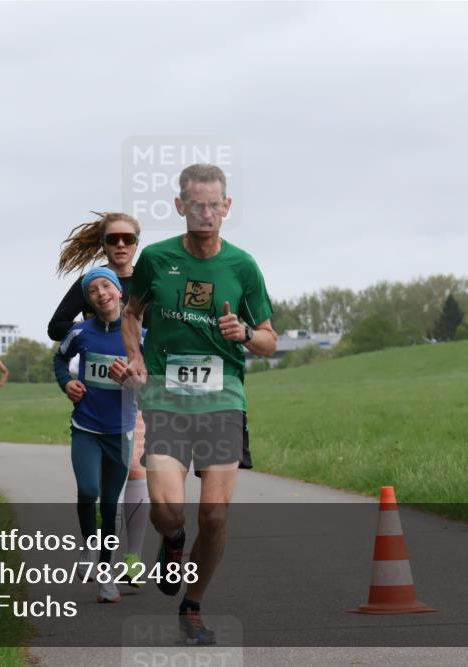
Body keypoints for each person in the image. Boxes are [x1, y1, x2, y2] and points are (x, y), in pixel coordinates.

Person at [119, 164, 277, 645]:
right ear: (180, 206)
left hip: (223, 398)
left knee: (214, 515)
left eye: (215, 205)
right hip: (166, 395)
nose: (206, 213)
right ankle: (171, 540)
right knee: (169, 510)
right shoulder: (156, 258)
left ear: (227, 208)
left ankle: (193, 606)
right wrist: (135, 359)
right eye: (197, 204)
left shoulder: (243, 266)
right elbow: (131, 313)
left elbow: (269, 340)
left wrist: (246, 333)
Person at [48, 211, 151, 584]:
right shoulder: (90, 283)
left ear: (137, 243)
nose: (121, 245)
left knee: (137, 470)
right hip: (98, 396)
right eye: (113, 240)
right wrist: (94, 319)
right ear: (104, 245)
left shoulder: (149, 278)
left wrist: (141, 332)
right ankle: (94, 550)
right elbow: (56, 329)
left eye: (128, 239)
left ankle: (133, 557)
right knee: (99, 488)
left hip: (140, 382)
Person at [53, 267, 142, 604]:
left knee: (110, 504)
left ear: (120, 292)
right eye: (92, 290)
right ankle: (89, 547)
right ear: (88, 300)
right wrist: (67, 383)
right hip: (86, 428)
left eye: (107, 286)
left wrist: (132, 380)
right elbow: (59, 361)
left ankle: (107, 576)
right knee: (88, 490)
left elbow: (150, 382)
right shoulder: (81, 332)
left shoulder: (139, 336)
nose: (101, 293)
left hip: (120, 431)